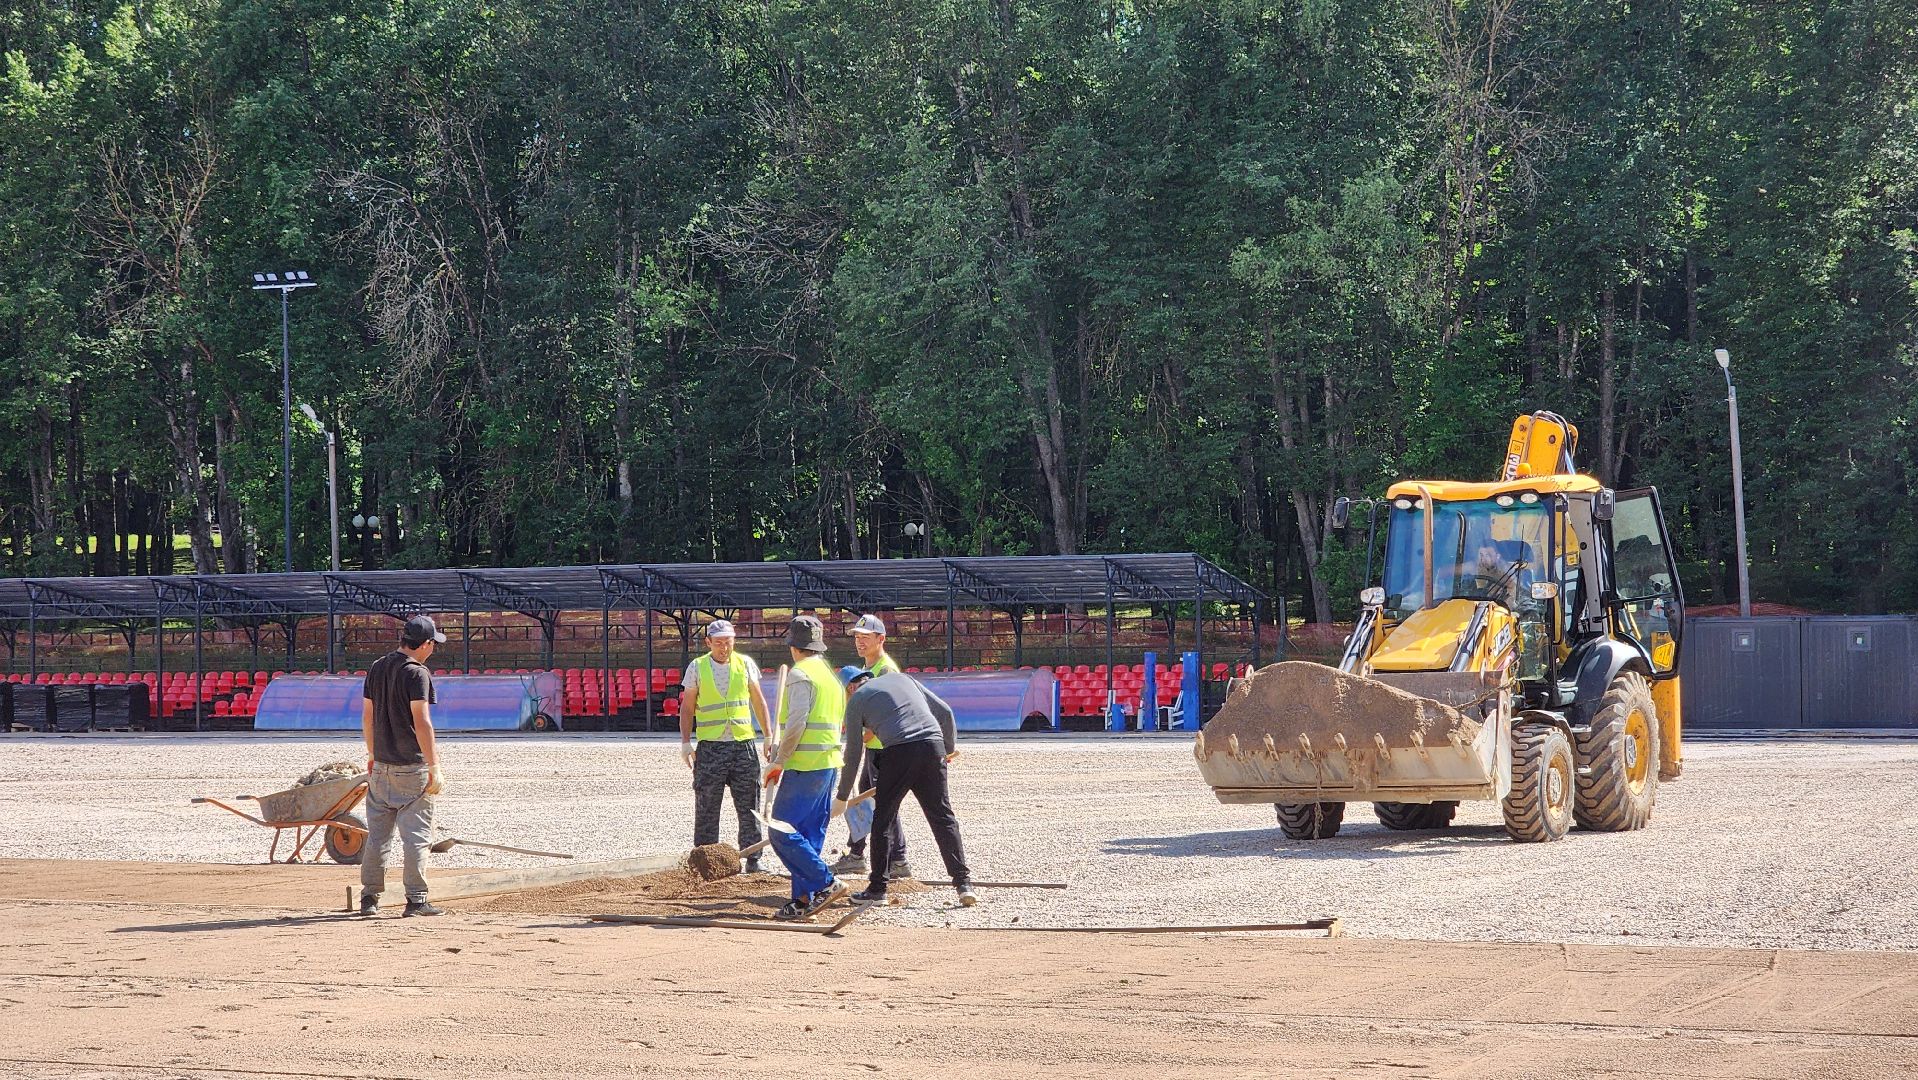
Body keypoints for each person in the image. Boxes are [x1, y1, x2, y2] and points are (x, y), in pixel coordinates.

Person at [837, 668, 975, 908]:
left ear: (850, 688)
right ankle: (964, 884)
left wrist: (841, 796)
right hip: (932, 747)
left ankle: (877, 890)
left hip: (899, 752)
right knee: (943, 817)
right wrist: (947, 749)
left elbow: (853, 753)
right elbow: (945, 712)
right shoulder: (904, 679)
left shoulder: (856, 700)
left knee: (883, 820)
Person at [359, 614, 448, 918]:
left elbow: (368, 717)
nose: (433, 649)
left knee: (377, 838)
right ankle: (417, 900)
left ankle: (369, 899)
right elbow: (422, 722)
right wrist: (434, 766)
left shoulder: (377, 667)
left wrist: (372, 753)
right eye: (432, 644)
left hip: (381, 765)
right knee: (417, 838)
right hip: (411, 767)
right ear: (423, 644)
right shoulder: (417, 674)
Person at [765, 615, 850, 921]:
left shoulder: (801, 675)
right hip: (827, 765)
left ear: (793, 647)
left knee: (781, 832)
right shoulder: (830, 676)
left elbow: (797, 723)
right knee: (809, 835)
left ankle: (826, 883)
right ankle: (803, 901)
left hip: (804, 766)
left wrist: (778, 762)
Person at [679, 619, 773, 872]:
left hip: (743, 745)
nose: (724, 647)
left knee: (749, 806)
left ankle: (754, 858)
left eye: (728, 642)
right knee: (707, 806)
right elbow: (687, 708)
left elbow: (758, 702)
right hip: (711, 748)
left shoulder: (745, 665)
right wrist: (686, 742)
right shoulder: (697, 667)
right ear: (708, 642)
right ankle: (705, 861)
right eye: (718, 642)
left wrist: (768, 736)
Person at [832, 613, 907, 879]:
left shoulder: (886, 670)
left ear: (881, 639)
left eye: (866, 638)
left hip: (884, 748)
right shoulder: (870, 671)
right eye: (858, 637)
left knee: (883, 801)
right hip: (876, 747)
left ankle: (896, 859)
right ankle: (859, 853)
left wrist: (860, 737)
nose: (860, 642)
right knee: (870, 799)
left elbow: (886, 712)